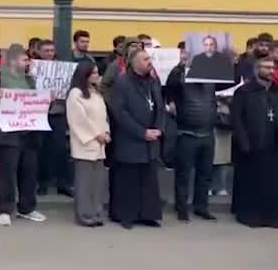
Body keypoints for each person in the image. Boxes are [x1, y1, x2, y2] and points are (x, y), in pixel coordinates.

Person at [0, 44, 45, 226]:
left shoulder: (30, 81)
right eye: (24, 59)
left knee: (29, 172)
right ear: (12, 61)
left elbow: (36, 104)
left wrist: (46, 101)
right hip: (7, 136)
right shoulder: (0, 81)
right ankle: (5, 209)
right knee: (8, 175)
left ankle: (26, 208)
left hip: (28, 134)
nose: (28, 63)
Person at [110, 48, 165, 229]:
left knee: (148, 181)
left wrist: (158, 128)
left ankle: (147, 214)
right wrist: (142, 132)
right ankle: (127, 216)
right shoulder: (122, 82)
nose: (149, 61)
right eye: (145, 59)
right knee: (129, 181)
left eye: (150, 58)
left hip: (151, 140)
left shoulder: (153, 81)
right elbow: (120, 113)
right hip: (131, 140)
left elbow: (159, 106)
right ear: (134, 63)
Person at [230, 56, 278, 228]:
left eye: (272, 68)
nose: (271, 70)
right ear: (257, 69)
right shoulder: (244, 91)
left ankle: (272, 217)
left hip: (274, 145)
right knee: (251, 182)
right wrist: (243, 141)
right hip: (251, 144)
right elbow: (237, 119)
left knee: (272, 183)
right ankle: (251, 216)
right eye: (266, 67)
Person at [166, 51, 218, 221]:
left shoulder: (211, 80)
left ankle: (201, 207)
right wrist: (182, 65)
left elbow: (230, 80)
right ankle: (181, 208)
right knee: (184, 173)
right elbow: (170, 85)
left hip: (207, 133)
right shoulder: (180, 76)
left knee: (205, 174)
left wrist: (227, 61)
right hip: (187, 133)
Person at [66, 60, 110, 227]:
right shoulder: (75, 94)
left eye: (97, 72)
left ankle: (96, 212)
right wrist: (95, 134)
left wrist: (106, 132)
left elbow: (103, 115)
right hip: (85, 144)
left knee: (97, 182)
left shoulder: (96, 93)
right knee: (84, 182)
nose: (97, 75)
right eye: (93, 73)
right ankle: (84, 215)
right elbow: (78, 120)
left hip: (100, 144)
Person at [37, 39, 74, 198]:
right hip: (39, 114)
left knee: (60, 149)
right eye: (46, 50)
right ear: (39, 52)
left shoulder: (62, 69)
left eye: (52, 50)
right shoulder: (34, 68)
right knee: (41, 150)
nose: (49, 53)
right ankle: (42, 183)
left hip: (58, 113)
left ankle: (63, 183)